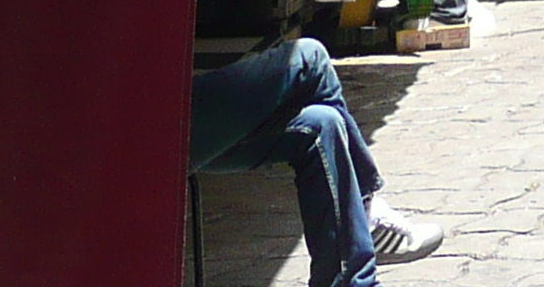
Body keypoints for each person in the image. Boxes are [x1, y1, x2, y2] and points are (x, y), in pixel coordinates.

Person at [189, 38, 444, 282]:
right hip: (159, 122)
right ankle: (364, 209)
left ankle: (352, 276)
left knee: (323, 124)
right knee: (310, 56)